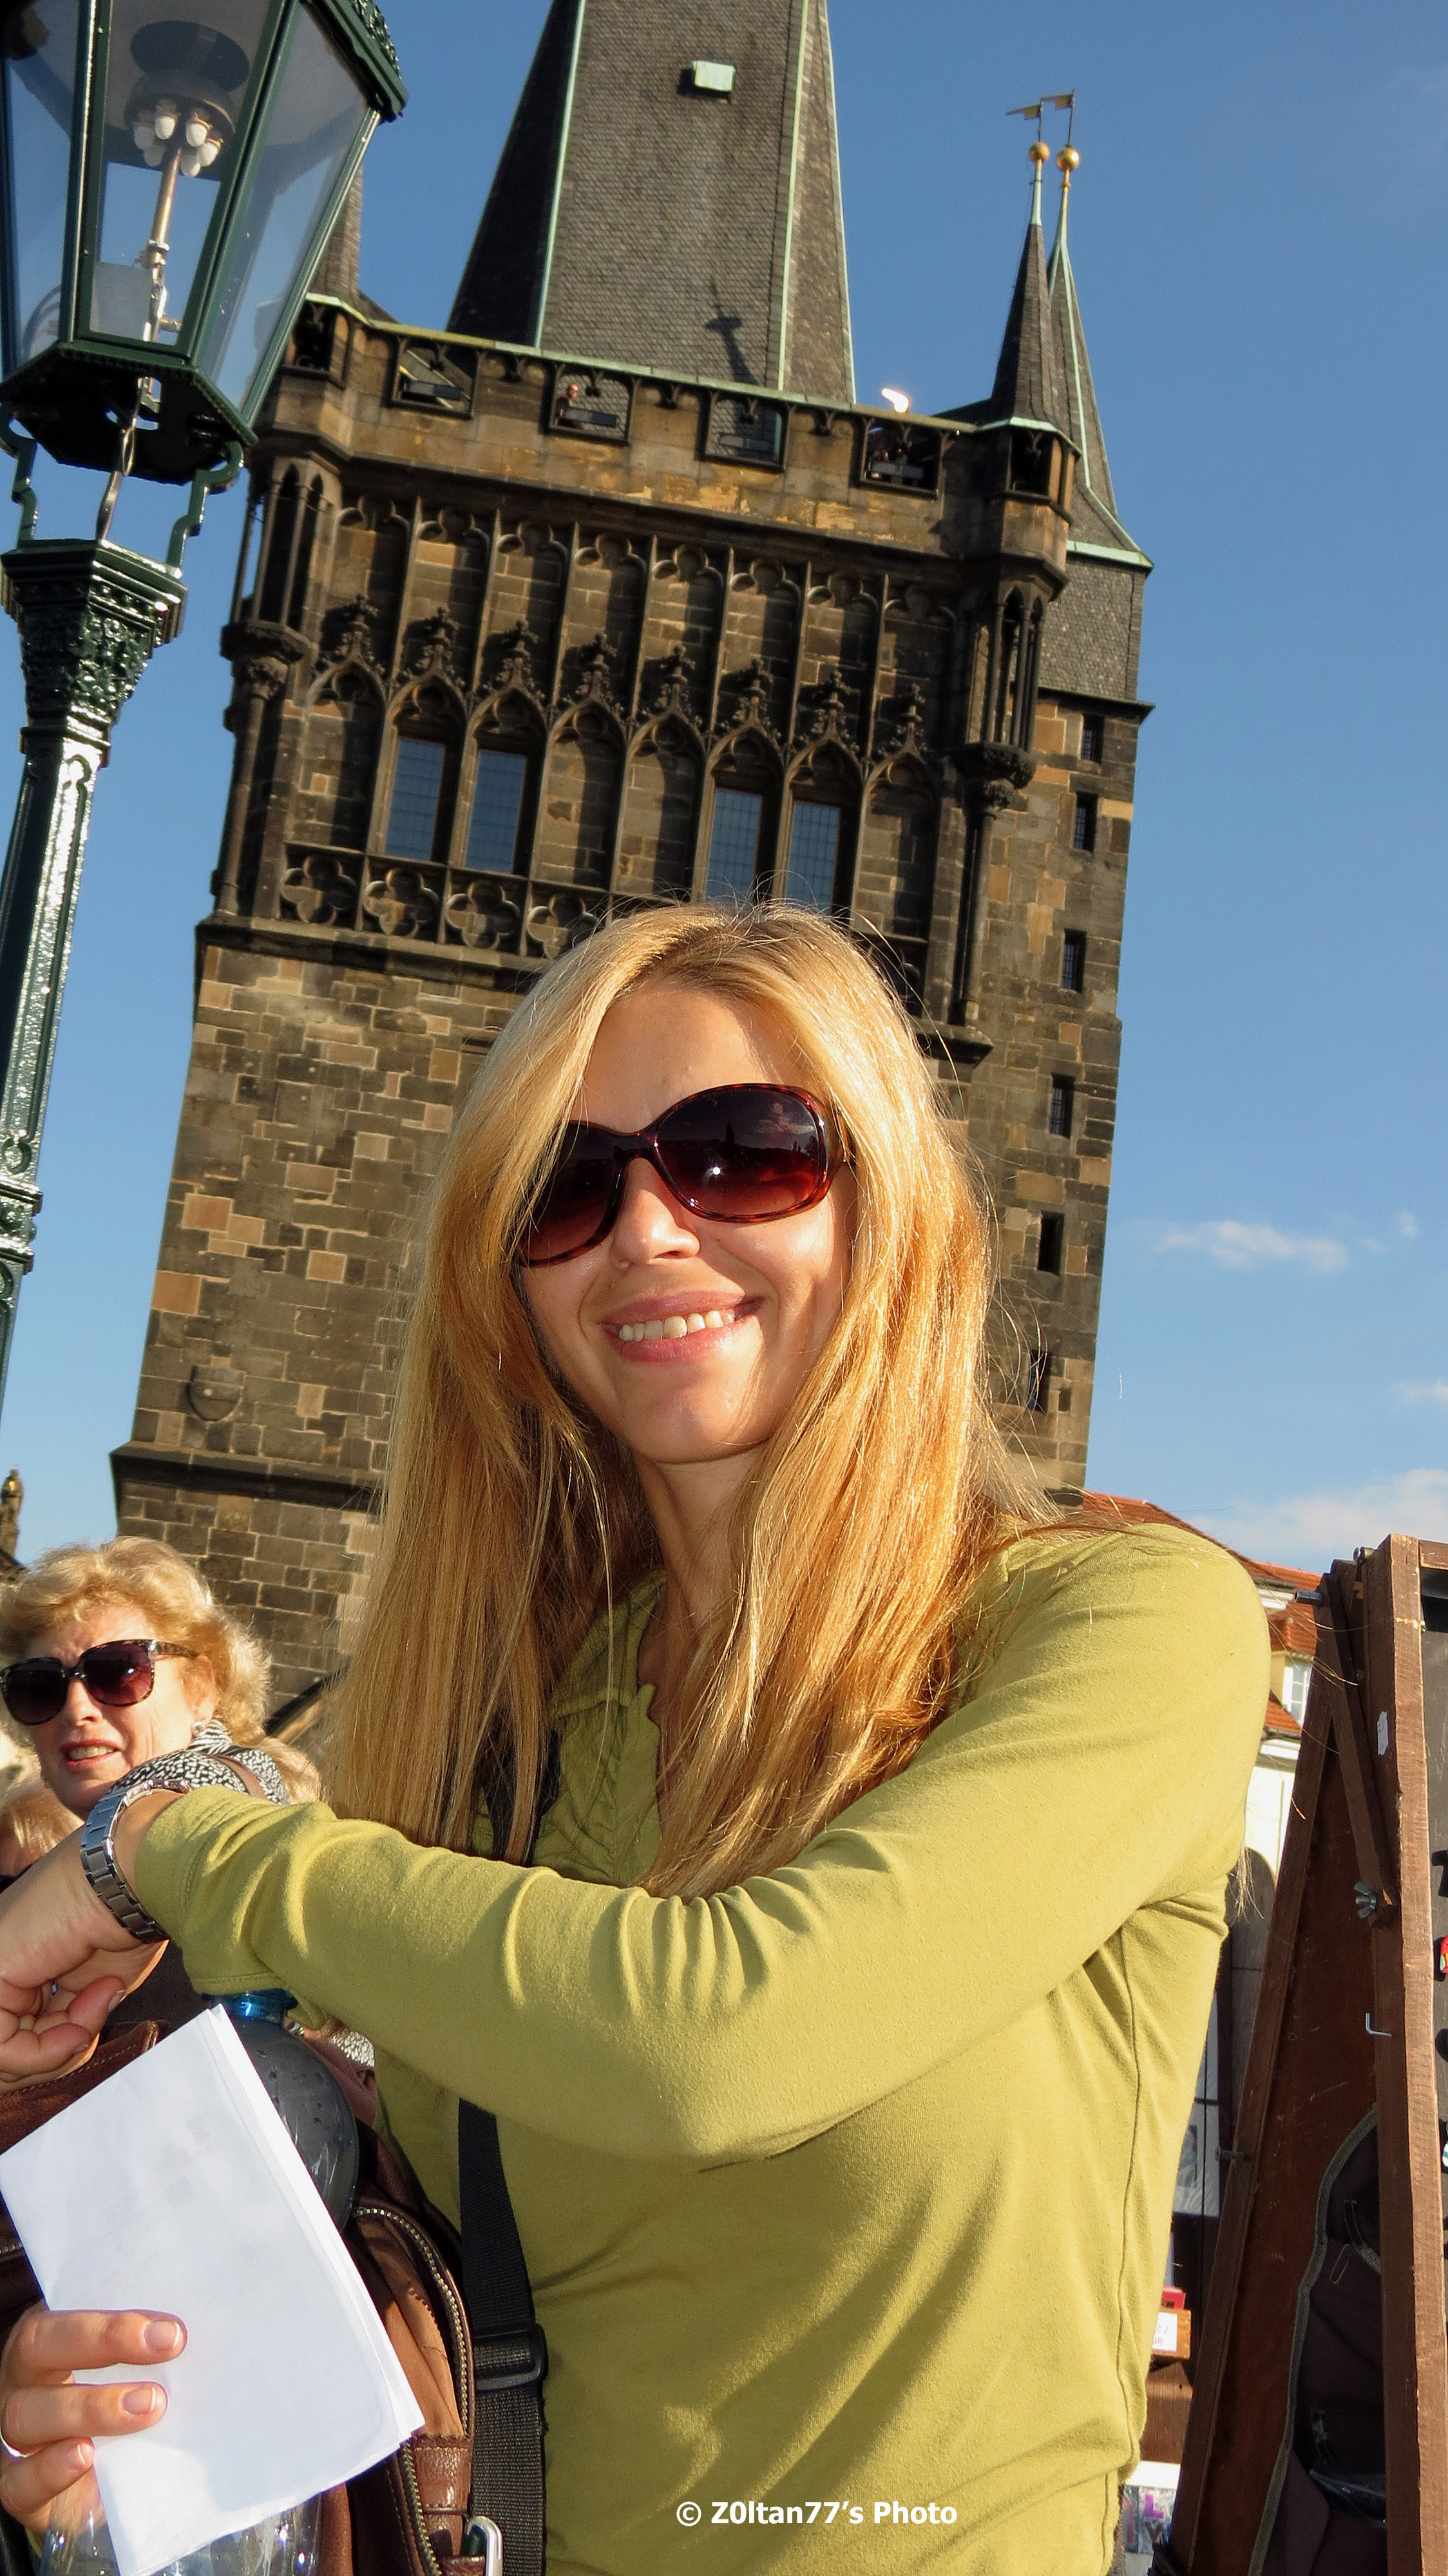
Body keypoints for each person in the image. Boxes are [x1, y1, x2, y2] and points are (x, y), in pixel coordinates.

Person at [0, 907, 1267, 2571]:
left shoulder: (1118, 1627)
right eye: (568, 1186)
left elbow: (716, 2039)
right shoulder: (518, 1727)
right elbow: (469, 2276)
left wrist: (173, 1847)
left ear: (888, 1201)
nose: (651, 1229)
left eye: (745, 1154)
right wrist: (124, 2400)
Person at [0, 1539, 316, 2022]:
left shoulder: (243, 1795)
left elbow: (203, 1795)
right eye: (40, 1686)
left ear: (200, 1690)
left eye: (117, 1672)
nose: (77, 1709)